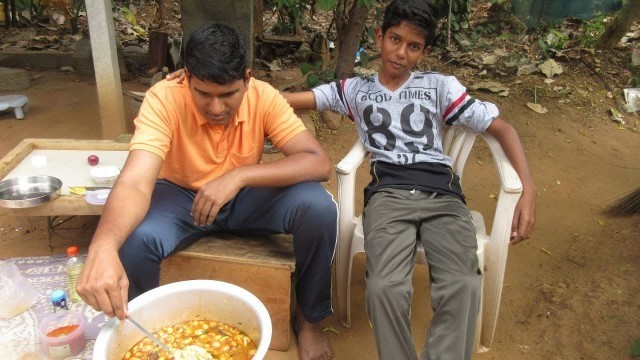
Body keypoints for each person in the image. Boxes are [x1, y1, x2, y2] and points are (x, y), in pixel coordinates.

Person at [282, 0, 537, 359]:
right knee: (385, 288)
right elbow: (291, 100)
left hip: (442, 196)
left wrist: (528, 190)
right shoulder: (355, 91)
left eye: (413, 46)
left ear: (424, 52)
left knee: (462, 284)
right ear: (379, 36)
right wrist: (242, 90)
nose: (400, 53)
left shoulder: (440, 87)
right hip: (388, 196)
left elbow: (502, 129)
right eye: (395, 39)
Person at [77, 23, 336, 360]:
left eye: (228, 94)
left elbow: (318, 163)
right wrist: (102, 247)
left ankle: (309, 320)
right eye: (203, 94)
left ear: (246, 78)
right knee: (135, 239)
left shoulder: (263, 96)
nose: (216, 108)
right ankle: (147, 330)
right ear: (186, 79)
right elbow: (135, 181)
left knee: (318, 208)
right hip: (179, 199)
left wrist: (240, 176)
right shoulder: (164, 98)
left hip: (246, 198)